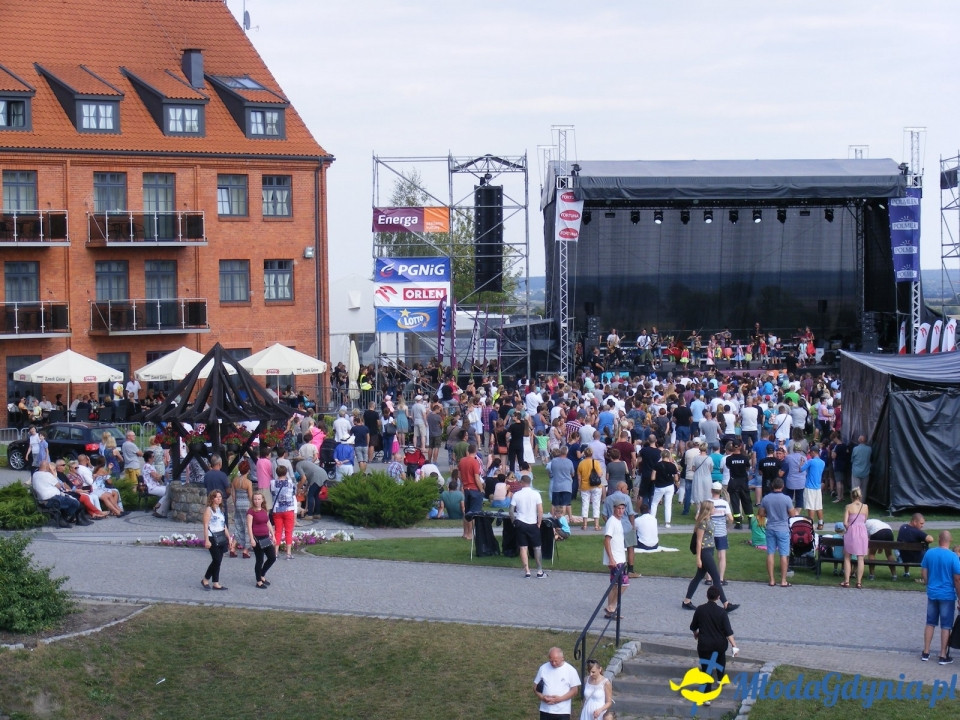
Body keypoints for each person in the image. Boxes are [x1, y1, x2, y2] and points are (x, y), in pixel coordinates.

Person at [682, 501, 738, 612]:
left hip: (709, 550)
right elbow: (699, 541)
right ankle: (726, 604)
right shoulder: (703, 523)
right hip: (704, 552)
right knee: (716, 578)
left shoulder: (709, 521)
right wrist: (698, 558)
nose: (715, 510)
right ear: (708, 510)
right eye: (713, 508)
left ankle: (686, 601)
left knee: (698, 577)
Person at [690, 585, 739, 702]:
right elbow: (728, 632)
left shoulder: (700, 609)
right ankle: (720, 679)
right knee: (720, 658)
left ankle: (707, 697)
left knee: (706, 669)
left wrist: (696, 634)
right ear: (718, 597)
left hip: (704, 644)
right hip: (719, 644)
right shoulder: (722, 612)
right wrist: (734, 646)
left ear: (707, 596)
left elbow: (693, 626)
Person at [921, 531, 960, 664]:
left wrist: (928, 583)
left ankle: (926, 652)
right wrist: (959, 596)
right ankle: (943, 655)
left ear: (939, 539)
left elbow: (924, 572)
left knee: (930, 623)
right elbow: (957, 579)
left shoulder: (929, 553)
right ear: (950, 540)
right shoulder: (953, 557)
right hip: (947, 595)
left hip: (932, 593)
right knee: (946, 625)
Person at [757, 477, 796, 586]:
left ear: (772, 486)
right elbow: (792, 514)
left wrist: (768, 514)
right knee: (784, 555)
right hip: (783, 528)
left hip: (770, 527)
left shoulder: (766, 498)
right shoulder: (787, 499)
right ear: (782, 486)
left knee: (770, 553)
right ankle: (783, 580)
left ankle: (772, 580)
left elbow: (761, 513)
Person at [510, 474, 545, 578]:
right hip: (532, 523)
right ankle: (539, 571)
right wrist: (539, 522)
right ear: (530, 483)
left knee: (523, 547)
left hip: (520, 522)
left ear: (522, 483)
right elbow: (540, 510)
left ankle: (527, 571)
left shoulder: (516, 494)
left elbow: (511, 511)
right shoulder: (536, 494)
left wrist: (513, 522)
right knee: (537, 547)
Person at [534, 647, 581, 720]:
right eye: (551, 661)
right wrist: (543, 698)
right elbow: (535, 688)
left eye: (556, 661)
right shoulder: (543, 668)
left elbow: (574, 691)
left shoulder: (570, 670)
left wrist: (559, 699)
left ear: (562, 658)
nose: (553, 663)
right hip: (545, 710)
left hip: (562, 711)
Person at [603, 481, 639, 578]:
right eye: (626, 489)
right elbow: (631, 513)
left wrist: (609, 523)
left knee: (615, 546)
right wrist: (632, 526)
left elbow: (604, 514)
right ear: (622, 488)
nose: (627, 491)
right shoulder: (626, 498)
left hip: (614, 527)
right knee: (630, 547)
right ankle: (630, 570)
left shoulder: (608, 498)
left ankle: (615, 565)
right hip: (626, 526)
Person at [602, 499, 630, 618]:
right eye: (619, 508)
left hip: (619, 557)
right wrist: (611, 558)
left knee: (614, 585)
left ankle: (610, 610)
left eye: (623, 509)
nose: (621, 511)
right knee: (624, 583)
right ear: (614, 508)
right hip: (616, 559)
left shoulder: (618, 521)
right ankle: (612, 606)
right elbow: (607, 540)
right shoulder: (612, 522)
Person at [201, 489, 232, 591]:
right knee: (216, 559)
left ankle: (216, 582)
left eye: (220, 497)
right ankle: (206, 579)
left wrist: (229, 537)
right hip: (212, 536)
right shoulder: (209, 510)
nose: (219, 499)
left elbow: (224, 525)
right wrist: (206, 540)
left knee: (219, 561)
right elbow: (205, 525)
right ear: (212, 498)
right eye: (216, 497)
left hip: (221, 535)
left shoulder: (220, 510)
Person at [246, 490, 276, 589]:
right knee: (260, 560)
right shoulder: (251, 511)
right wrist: (252, 539)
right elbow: (249, 526)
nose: (257, 501)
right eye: (255, 499)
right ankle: (258, 581)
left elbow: (268, 523)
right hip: (257, 538)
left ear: (262, 500)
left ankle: (262, 574)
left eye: (259, 499)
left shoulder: (264, 510)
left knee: (272, 557)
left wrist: (273, 535)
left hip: (266, 537)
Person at [839, 487, 869, 588]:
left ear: (852, 496)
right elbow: (865, 520)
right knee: (861, 558)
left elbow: (845, 522)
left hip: (852, 531)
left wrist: (849, 527)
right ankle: (859, 582)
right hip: (862, 532)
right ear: (860, 496)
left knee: (847, 557)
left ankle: (847, 581)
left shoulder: (848, 507)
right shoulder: (865, 507)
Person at [707, 482, 733, 586]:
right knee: (722, 556)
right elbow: (730, 518)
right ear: (721, 491)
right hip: (721, 531)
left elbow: (698, 517)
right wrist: (727, 526)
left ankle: (709, 578)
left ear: (711, 491)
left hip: (709, 532)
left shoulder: (707, 502)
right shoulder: (724, 503)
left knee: (709, 555)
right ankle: (720, 579)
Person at [271, 465, 298, 559]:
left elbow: (272, 493)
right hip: (288, 509)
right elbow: (294, 493)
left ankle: (275, 552)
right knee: (288, 531)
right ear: (286, 473)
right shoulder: (291, 483)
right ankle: (288, 553)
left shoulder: (273, 483)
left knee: (278, 531)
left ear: (277, 472)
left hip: (277, 509)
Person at [230, 460, 254, 559]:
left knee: (238, 525)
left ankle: (232, 547)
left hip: (238, 503)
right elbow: (251, 495)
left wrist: (235, 503)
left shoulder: (235, 480)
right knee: (248, 526)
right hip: (246, 504)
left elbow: (233, 494)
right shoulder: (248, 482)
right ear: (248, 470)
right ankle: (245, 550)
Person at [898, 513, 934, 578]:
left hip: (903, 557)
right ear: (915, 522)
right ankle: (928, 576)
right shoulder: (917, 532)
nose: (922, 525)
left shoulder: (902, 527)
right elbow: (930, 539)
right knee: (932, 552)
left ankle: (906, 573)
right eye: (921, 523)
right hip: (916, 558)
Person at [650, 449, 679, 529]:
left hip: (659, 486)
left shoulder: (657, 465)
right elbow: (676, 479)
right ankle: (667, 523)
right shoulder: (672, 465)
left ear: (661, 456)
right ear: (669, 456)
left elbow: (652, 477)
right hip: (669, 486)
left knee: (654, 504)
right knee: (668, 504)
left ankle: (652, 521)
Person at [578, 446, 603, 531]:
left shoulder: (581, 463)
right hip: (595, 485)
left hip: (585, 486)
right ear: (592, 454)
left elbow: (579, 477)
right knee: (596, 505)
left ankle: (584, 524)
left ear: (584, 454)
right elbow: (600, 475)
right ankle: (596, 525)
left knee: (585, 504)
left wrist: (579, 487)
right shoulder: (596, 462)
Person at [142, 450, 171, 518]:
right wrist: (163, 476)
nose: (154, 458)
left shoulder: (151, 466)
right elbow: (156, 477)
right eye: (153, 456)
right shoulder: (147, 466)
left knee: (169, 490)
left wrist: (160, 476)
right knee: (169, 492)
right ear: (149, 458)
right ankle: (157, 507)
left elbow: (157, 476)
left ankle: (159, 507)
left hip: (155, 486)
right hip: (151, 487)